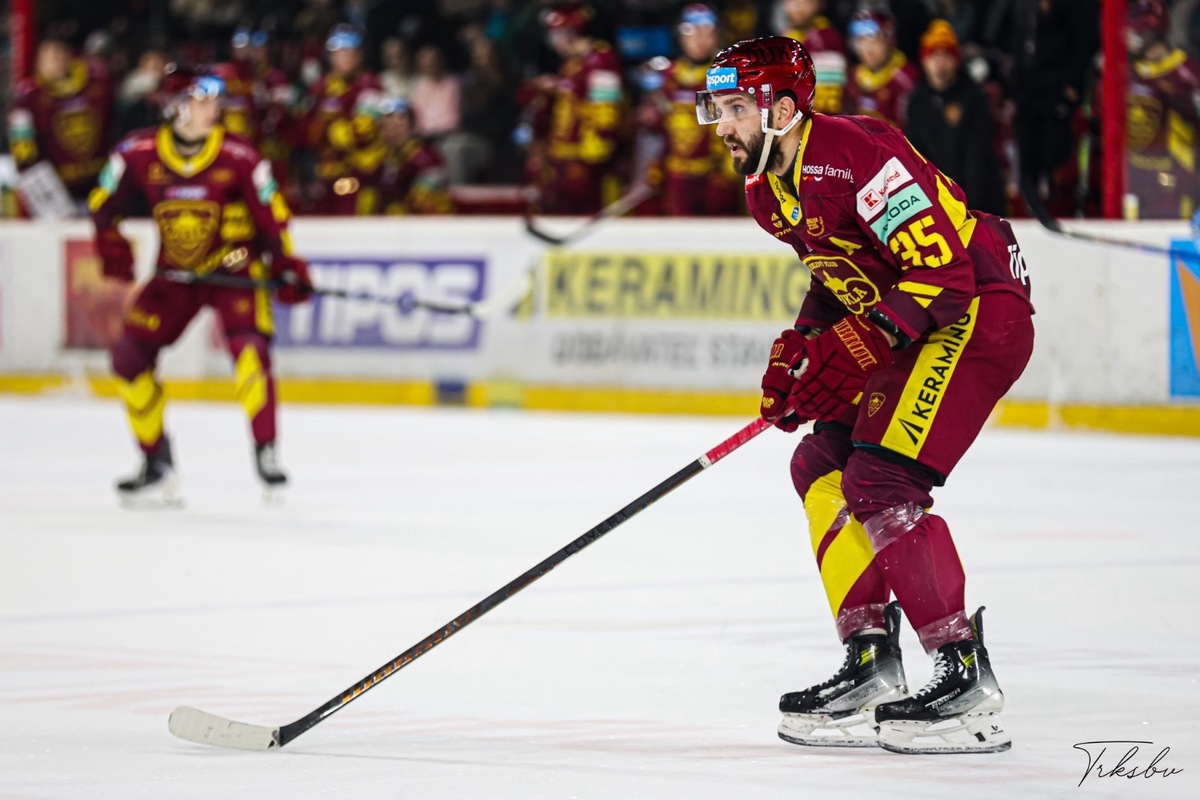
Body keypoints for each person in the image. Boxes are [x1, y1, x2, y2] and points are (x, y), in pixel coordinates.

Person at [695, 36, 1034, 753]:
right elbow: (838, 275)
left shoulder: (852, 154)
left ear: (782, 110)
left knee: (880, 478)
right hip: (922, 314)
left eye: (732, 109)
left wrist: (855, 346)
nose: (719, 126)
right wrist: (802, 352)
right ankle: (872, 660)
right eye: (715, 108)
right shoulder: (767, 189)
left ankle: (963, 672)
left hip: (977, 313)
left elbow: (945, 278)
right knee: (819, 468)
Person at [87, 65, 314, 506]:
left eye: (214, 101)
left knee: (251, 350)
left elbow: (273, 218)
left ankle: (266, 452)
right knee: (129, 358)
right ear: (175, 107)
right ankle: (156, 462)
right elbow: (101, 205)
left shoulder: (242, 157)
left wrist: (287, 264)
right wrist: (112, 246)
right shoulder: (136, 152)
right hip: (175, 275)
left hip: (234, 271)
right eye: (201, 100)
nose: (214, 109)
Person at [641, 4, 742, 216]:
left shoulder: (725, 74)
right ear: (680, 36)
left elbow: (736, 124)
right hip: (677, 174)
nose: (699, 40)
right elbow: (661, 126)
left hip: (714, 175)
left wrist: (728, 169)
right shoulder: (669, 75)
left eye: (707, 33)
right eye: (691, 33)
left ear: (717, 36)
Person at [904, 20, 1007, 215]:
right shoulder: (916, 102)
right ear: (924, 60)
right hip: (935, 205)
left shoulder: (974, 98)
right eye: (933, 55)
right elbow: (915, 158)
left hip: (976, 203)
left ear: (956, 60)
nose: (940, 62)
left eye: (946, 55)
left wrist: (969, 209)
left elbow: (978, 157)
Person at [535, 2, 625, 215]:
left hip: (587, 166)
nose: (553, 43)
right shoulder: (573, 64)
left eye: (555, 35)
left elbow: (606, 115)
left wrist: (588, 162)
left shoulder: (601, 61)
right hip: (566, 160)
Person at [9, 37, 114, 214]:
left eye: (59, 55)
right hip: (57, 191)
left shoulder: (98, 83)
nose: (55, 61)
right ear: (38, 63)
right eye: (49, 57)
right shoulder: (28, 98)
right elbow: (23, 153)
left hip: (99, 182)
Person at [1126, 0, 1200, 219]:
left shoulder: (1185, 71)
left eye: (1134, 31)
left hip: (1176, 175)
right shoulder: (1129, 71)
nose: (1129, 37)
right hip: (1135, 174)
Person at [306, 24, 385, 215]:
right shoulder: (320, 87)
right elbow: (306, 131)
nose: (345, 57)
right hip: (325, 173)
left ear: (360, 55)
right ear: (330, 56)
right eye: (339, 52)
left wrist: (329, 131)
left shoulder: (370, 86)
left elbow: (362, 133)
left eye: (350, 52)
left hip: (360, 175)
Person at [376, 97, 455, 215]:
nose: (389, 126)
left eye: (397, 119)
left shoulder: (424, 158)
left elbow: (428, 203)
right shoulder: (381, 158)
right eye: (384, 120)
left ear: (407, 123)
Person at [844, 8, 918, 129]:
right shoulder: (853, 77)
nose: (867, 49)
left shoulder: (907, 79)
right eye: (861, 41)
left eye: (875, 40)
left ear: (890, 40)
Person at [775, 0, 847, 115]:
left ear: (820, 4)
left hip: (817, 123)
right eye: (793, 2)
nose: (799, 8)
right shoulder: (785, 36)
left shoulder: (827, 39)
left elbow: (828, 103)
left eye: (806, 2)